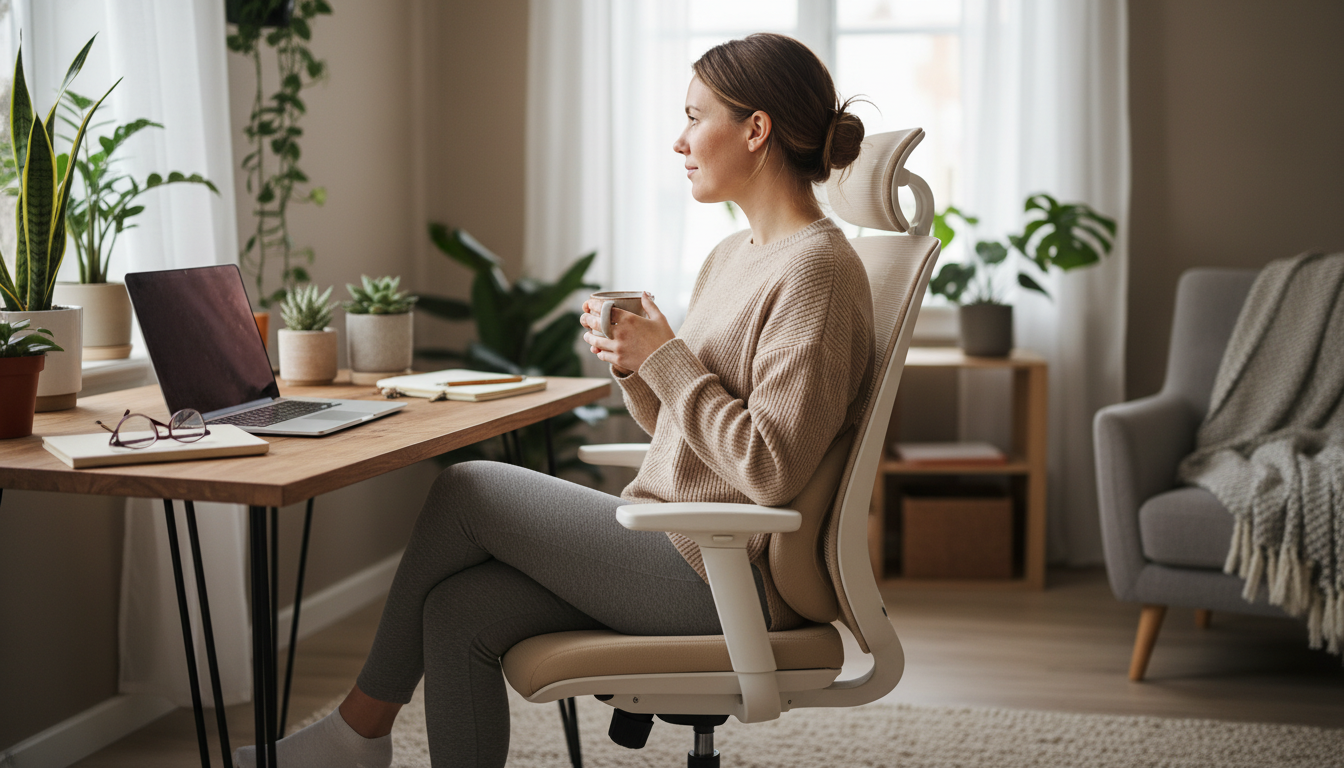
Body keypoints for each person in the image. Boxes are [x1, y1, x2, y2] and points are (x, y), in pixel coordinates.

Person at [235, 32, 873, 768]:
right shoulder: (735, 255)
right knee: (457, 611)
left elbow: (769, 468)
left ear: (756, 129)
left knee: (469, 487)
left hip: (727, 576)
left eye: (696, 116)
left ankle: (356, 735)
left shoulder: (817, 273)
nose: (679, 140)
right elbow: (687, 432)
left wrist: (665, 358)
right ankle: (360, 739)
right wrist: (637, 367)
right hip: (678, 545)